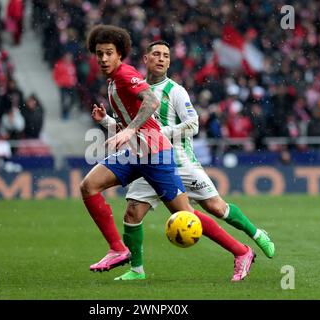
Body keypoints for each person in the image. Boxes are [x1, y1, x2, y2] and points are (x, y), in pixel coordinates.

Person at [82, 25, 255, 282]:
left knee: (187, 216)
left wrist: (128, 131)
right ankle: (119, 250)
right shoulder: (113, 82)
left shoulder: (126, 74)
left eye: (109, 53)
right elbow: (135, 121)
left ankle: (242, 251)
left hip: (155, 155)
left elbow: (151, 102)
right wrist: (106, 121)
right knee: (90, 187)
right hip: (135, 153)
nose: (104, 58)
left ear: (120, 55)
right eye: (99, 54)